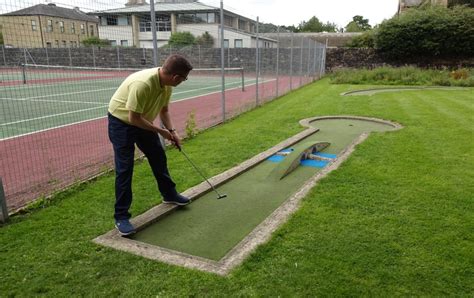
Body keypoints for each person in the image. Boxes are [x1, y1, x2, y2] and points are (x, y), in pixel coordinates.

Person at [107, 54, 193, 236]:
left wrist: (172, 130)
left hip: (142, 120)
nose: (183, 81)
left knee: (158, 156)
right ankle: (121, 216)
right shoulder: (143, 84)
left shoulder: (166, 85)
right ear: (176, 77)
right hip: (121, 122)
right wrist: (161, 132)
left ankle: (169, 194)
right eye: (184, 79)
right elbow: (133, 119)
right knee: (125, 168)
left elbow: (164, 110)